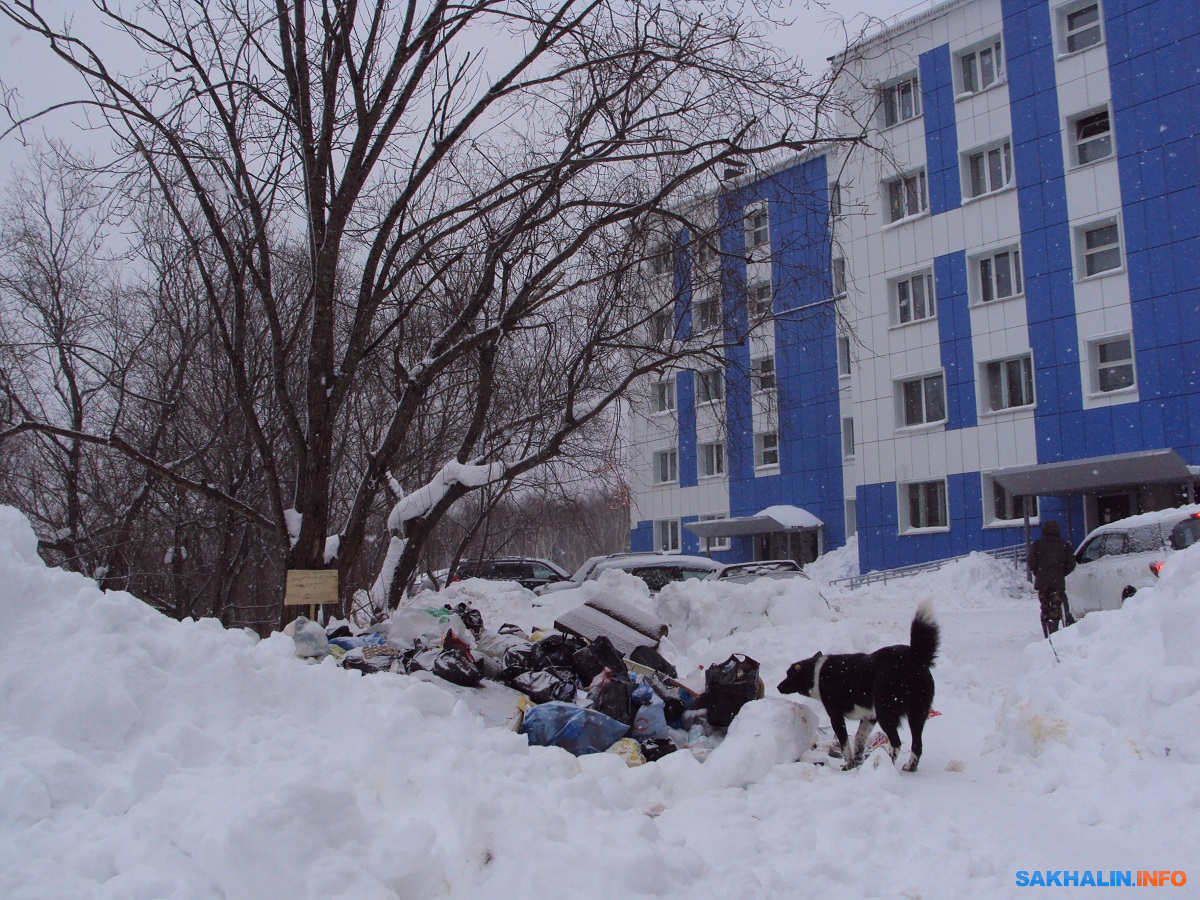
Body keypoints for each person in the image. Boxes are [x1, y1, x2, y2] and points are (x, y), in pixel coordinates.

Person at [1027, 519, 1077, 637]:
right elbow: (1071, 563)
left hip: (1042, 582)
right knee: (1055, 607)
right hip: (1057, 582)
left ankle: (1046, 633)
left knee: (1045, 607)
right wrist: (1061, 572)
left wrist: (1038, 572)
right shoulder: (1064, 545)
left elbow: (1031, 561)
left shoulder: (1037, 544)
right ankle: (1054, 632)